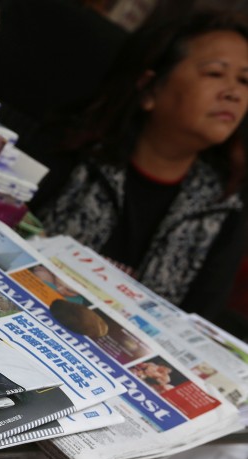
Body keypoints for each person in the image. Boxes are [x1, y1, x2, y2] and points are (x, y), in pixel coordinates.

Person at [32, 10, 248, 323]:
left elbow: (197, 325)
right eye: (215, 73)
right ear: (149, 88)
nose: (234, 92)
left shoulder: (225, 207)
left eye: (245, 80)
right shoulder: (71, 150)